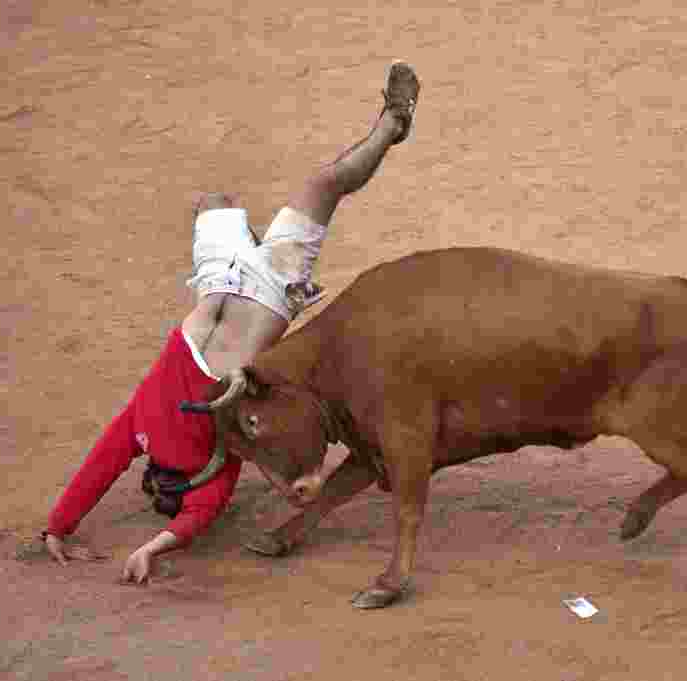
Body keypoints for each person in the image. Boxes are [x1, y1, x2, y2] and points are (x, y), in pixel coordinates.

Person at [42, 61, 421, 584]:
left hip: (222, 280)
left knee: (214, 202)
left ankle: (256, 233)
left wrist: (63, 526)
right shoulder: (222, 455)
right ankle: (392, 125)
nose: (157, 486)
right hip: (267, 287)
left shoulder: (147, 433)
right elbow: (189, 512)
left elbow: (104, 471)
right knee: (324, 186)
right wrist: (127, 541)